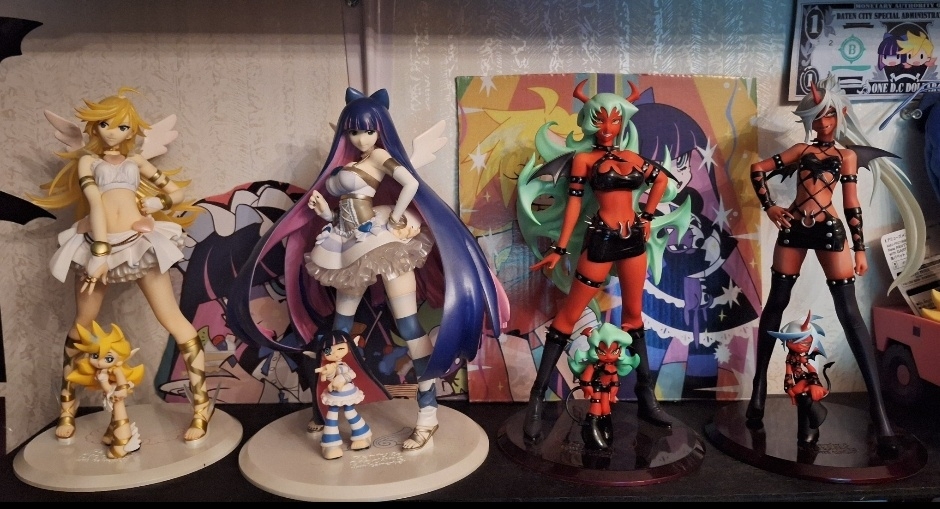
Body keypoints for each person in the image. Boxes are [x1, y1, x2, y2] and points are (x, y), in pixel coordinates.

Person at [227, 87, 506, 451]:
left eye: (368, 130)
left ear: (380, 130)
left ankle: (428, 413)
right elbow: (344, 207)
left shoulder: (380, 156)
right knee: (339, 330)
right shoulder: (347, 162)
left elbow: (409, 182)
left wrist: (396, 216)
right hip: (347, 243)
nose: (361, 138)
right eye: (354, 131)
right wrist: (325, 213)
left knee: (408, 325)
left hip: (382, 243)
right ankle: (326, 408)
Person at [747, 74, 924, 457]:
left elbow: (851, 204)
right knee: (775, 303)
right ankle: (758, 390)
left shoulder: (847, 157)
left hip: (829, 230)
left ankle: (880, 415)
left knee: (849, 313)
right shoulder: (800, 150)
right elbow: (758, 169)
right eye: (817, 116)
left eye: (828, 114)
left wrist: (859, 249)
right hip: (794, 228)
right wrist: (771, 207)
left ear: (839, 114)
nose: (823, 122)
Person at [31, 87, 211, 445]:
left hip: (137, 243)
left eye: (122, 127)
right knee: (81, 325)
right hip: (97, 244)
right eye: (106, 125)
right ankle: (67, 406)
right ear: (95, 127)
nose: (113, 132)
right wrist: (99, 254)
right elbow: (95, 204)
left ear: (132, 130)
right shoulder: (88, 162)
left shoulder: (136, 162)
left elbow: (175, 193)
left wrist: (157, 204)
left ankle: (202, 406)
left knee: (172, 319)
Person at [517, 79, 687, 443]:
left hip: (634, 242)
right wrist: (560, 247)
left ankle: (646, 398)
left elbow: (660, 180)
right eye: (600, 119)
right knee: (568, 317)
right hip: (601, 239)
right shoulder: (583, 160)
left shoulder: (633, 159)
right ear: (588, 121)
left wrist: (648, 215)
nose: (607, 126)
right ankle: (536, 400)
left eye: (614, 119)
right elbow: (574, 206)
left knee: (634, 318)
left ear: (623, 120)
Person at [66, 321, 144, 458]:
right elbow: (107, 387)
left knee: (120, 414)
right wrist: (104, 383)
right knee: (114, 414)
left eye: (107, 358)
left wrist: (118, 391)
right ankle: (110, 434)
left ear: (119, 360)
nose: (99, 362)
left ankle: (122, 444)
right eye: (95, 356)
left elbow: (122, 385)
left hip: (117, 394)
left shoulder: (116, 370)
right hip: (110, 394)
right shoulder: (102, 371)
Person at [567, 322, 639, 450]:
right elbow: (586, 379)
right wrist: (587, 387)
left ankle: (606, 428)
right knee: (596, 405)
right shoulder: (594, 366)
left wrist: (613, 392)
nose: (609, 356)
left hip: (606, 390)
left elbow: (615, 382)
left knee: (606, 408)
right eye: (602, 351)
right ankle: (591, 429)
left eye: (614, 351)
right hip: (596, 388)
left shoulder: (613, 367)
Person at [307, 330, 372, 459]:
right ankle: (330, 444)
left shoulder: (345, 365)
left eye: (340, 348)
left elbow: (352, 374)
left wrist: (342, 378)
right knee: (331, 415)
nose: (335, 353)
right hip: (335, 394)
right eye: (328, 351)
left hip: (347, 392)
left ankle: (362, 435)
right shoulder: (331, 365)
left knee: (350, 412)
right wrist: (328, 373)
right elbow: (327, 379)